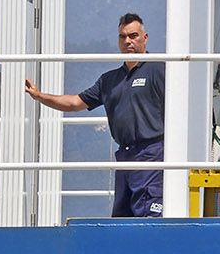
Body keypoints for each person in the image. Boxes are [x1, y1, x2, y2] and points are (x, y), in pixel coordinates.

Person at [26, 12, 165, 218]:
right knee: (122, 217)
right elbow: (74, 103)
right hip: (125, 156)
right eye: (122, 37)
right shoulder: (109, 80)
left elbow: (180, 105)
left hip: (152, 153)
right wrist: (39, 96)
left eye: (133, 35)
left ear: (145, 38)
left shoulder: (159, 70)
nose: (128, 41)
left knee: (148, 213)